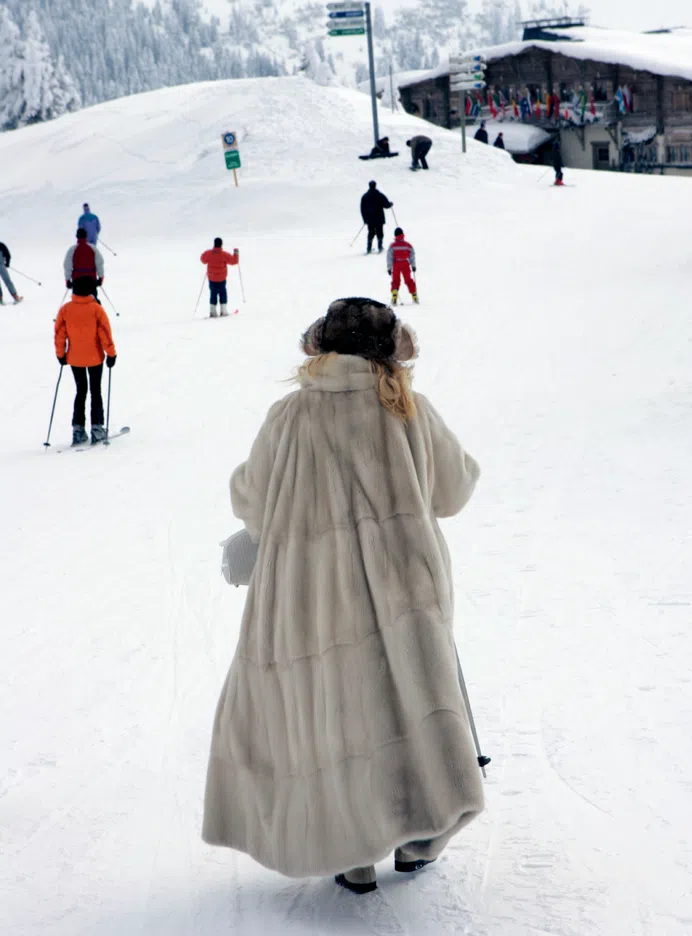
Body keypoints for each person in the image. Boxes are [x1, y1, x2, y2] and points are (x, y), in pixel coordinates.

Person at [202, 296, 484, 894]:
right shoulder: (409, 410)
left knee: (339, 714)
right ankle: (418, 839)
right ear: (389, 353)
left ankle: (351, 854)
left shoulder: (289, 416)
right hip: (404, 589)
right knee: (413, 702)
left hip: (313, 596)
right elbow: (454, 491)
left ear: (323, 350)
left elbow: (249, 498)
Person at [54, 278, 117, 446]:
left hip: (75, 358)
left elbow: (60, 333)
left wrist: (61, 354)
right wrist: (111, 354)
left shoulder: (65, 310)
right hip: (95, 357)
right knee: (96, 390)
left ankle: (78, 430)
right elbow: (104, 333)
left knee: (80, 391)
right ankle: (97, 429)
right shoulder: (96, 309)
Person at [200, 237, 239, 318]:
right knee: (222, 293)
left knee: (213, 293)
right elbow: (234, 261)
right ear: (221, 244)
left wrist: (205, 254)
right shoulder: (224, 254)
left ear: (214, 244)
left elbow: (203, 260)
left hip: (212, 278)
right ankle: (223, 310)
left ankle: (212, 312)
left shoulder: (209, 253)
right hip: (221, 278)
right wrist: (236, 252)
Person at [64, 229, 104, 299]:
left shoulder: (72, 249)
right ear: (86, 236)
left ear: (77, 236)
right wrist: (100, 278)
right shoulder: (93, 248)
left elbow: (67, 265)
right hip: (91, 280)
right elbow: (99, 263)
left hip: (77, 280)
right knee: (92, 301)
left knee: (78, 301)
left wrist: (67, 280)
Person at [360, 181, 393, 254]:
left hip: (370, 219)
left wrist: (365, 219)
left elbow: (362, 209)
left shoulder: (365, 196)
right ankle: (380, 247)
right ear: (375, 185)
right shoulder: (379, 195)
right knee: (380, 232)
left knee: (371, 232)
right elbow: (386, 205)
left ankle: (368, 248)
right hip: (379, 218)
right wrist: (390, 204)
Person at [387, 226, 418, 305]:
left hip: (396, 264)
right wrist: (413, 265)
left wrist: (389, 267)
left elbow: (389, 257)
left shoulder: (392, 246)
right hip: (405, 264)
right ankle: (414, 295)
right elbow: (412, 255)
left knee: (395, 281)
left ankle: (394, 296)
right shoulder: (407, 245)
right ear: (403, 234)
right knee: (408, 280)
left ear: (395, 235)